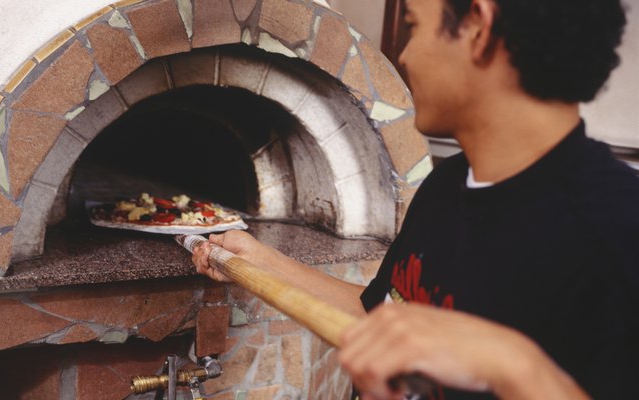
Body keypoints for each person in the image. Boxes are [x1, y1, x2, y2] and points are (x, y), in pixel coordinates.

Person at [192, 0, 639, 398]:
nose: (403, 55)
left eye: (413, 25)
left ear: (477, 28)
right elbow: (379, 315)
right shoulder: (449, 187)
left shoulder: (619, 231)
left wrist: (513, 364)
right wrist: (259, 258)